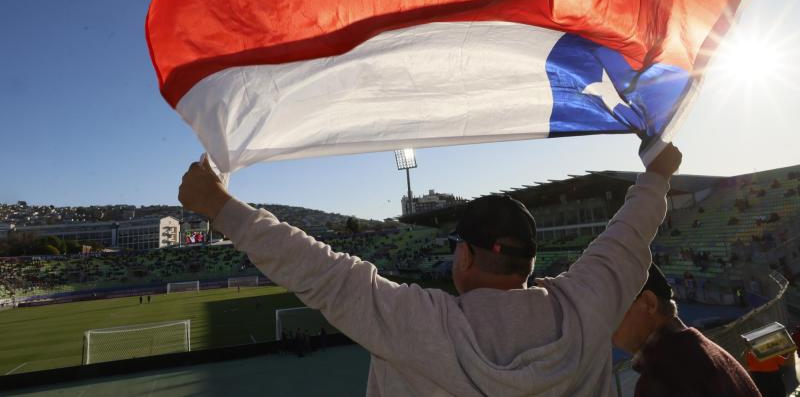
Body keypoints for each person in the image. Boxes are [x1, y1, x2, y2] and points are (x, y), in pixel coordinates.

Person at [179, 143, 681, 396]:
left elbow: (321, 271)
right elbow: (630, 236)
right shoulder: (586, 307)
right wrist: (657, 173)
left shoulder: (420, 325)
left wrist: (221, 206)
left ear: (464, 257)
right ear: (529, 263)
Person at [612, 263, 760, 396]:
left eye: (610, 308)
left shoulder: (663, 379)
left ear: (650, 303)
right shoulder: (706, 354)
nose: (602, 322)